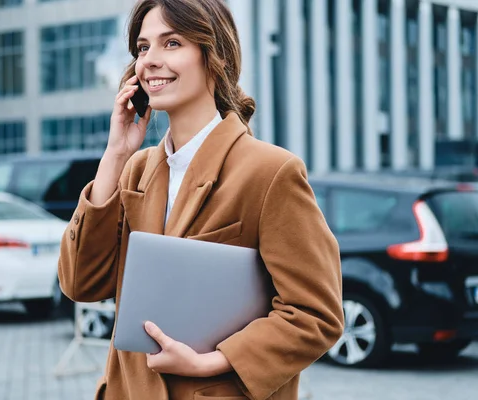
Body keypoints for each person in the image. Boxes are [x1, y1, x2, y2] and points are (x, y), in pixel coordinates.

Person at [58, 0, 344, 399]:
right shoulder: (135, 170)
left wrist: (211, 361)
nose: (150, 61)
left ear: (216, 57)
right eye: (143, 48)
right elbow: (79, 283)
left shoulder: (270, 171)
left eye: (171, 43)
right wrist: (115, 155)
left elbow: (316, 314)